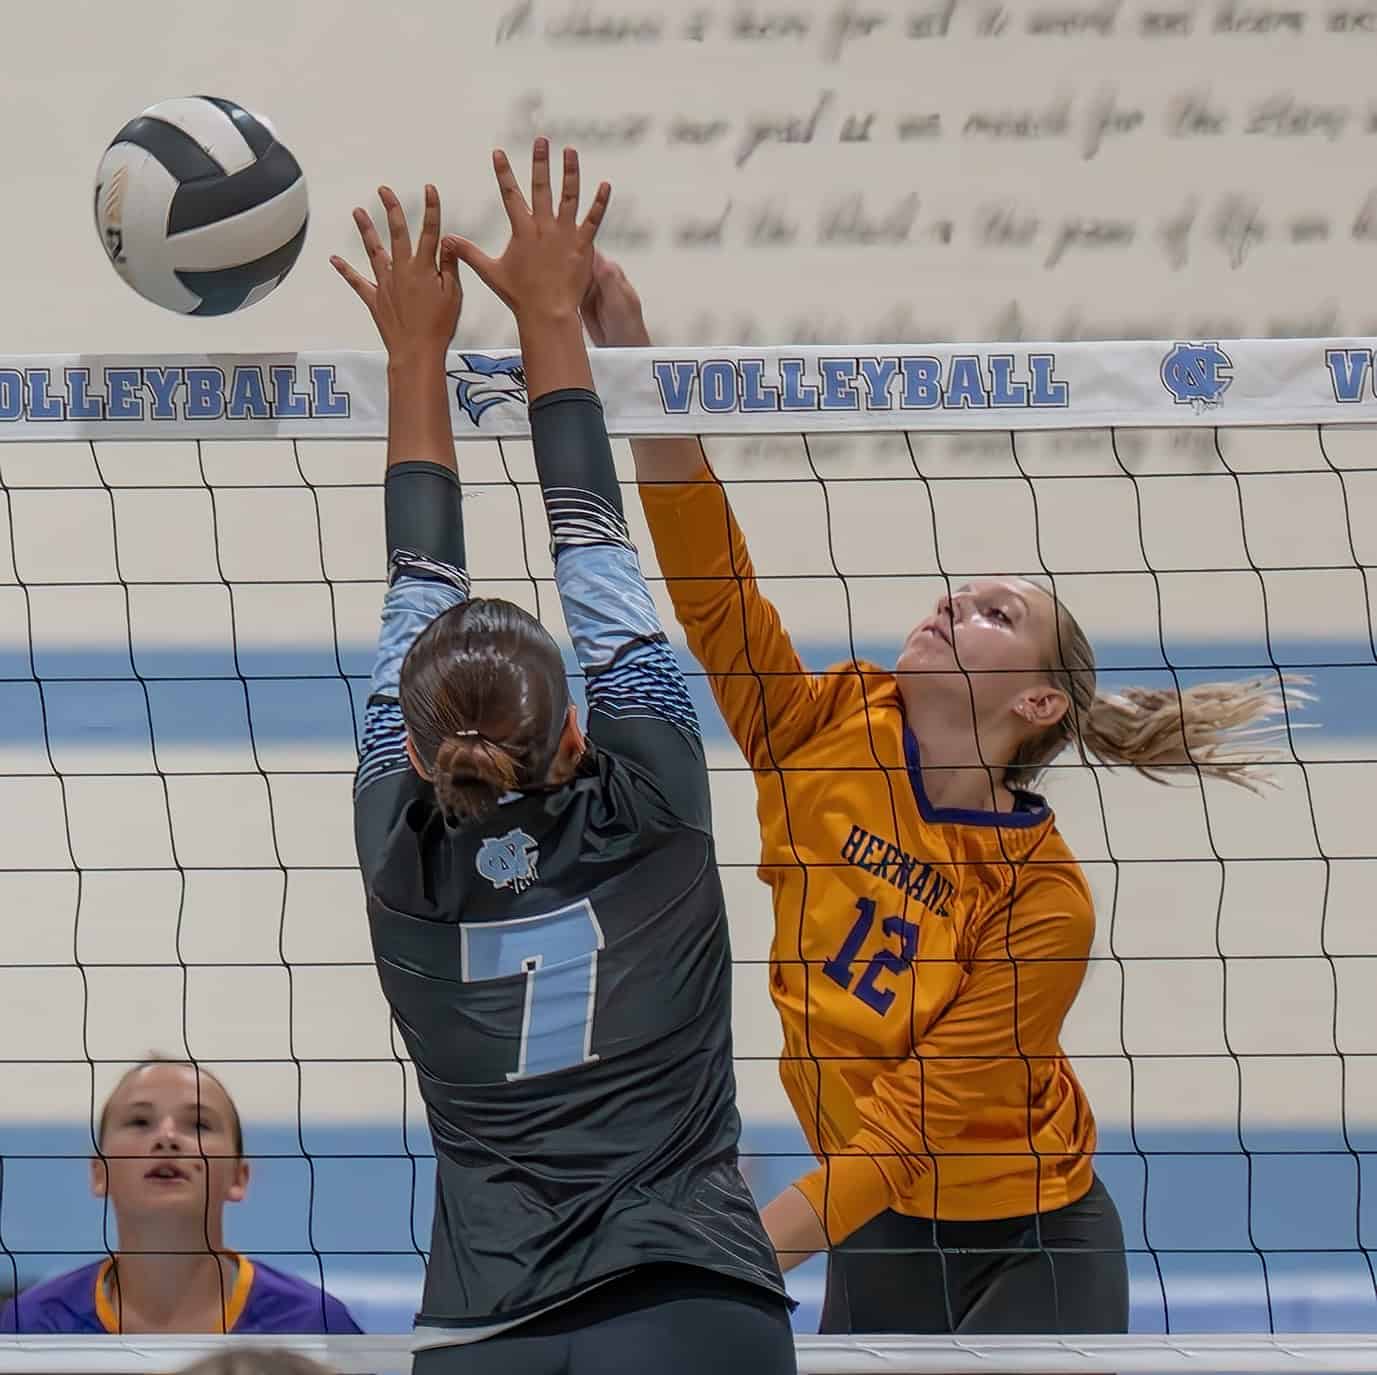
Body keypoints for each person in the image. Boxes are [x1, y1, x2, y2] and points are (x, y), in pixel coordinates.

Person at [580, 253, 1300, 1335]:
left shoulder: (1042, 900)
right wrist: (628, 356)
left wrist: (734, 1248)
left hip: (1031, 1234)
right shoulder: (816, 731)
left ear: (1041, 706)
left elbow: (915, 1125)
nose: (956, 602)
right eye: (962, 592)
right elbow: (706, 571)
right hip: (873, 1220)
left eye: (997, 614)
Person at [335, 141, 793, 1375]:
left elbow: (417, 582)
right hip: (690, 1300)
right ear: (579, 730)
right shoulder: (649, 803)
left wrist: (413, 357)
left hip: (488, 1326)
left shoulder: (404, 855)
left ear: (423, 756)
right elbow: (583, 540)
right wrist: (546, 320)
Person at [0, 1058, 359, 1334]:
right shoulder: (33, 1323)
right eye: (140, 1122)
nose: (167, 1137)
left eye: (199, 1125)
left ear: (238, 1177)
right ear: (100, 1172)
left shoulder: (314, 1323)